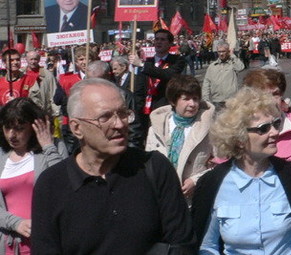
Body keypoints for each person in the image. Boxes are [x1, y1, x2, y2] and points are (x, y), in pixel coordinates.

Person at [32, 78, 194, 254]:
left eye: (123, 113)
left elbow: (182, 244)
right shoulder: (51, 184)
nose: (120, 124)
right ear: (77, 128)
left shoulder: (153, 167)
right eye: (105, 117)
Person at [192, 87, 291, 254]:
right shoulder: (212, 184)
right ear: (239, 138)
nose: (275, 132)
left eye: (275, 124)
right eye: (263, 128)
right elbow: (206, 246)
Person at [0, 98, 67, 254]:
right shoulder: (2, 157)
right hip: (9, 245)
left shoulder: (54, 148)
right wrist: (16, 223)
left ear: (34, 127)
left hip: (46, 242)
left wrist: (48, 147)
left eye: (19, 128)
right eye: (7, 128)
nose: (12, 135)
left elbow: (65, 185)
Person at [145, 75, 215, 202]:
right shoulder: (156, 128)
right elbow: (148, 164)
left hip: (196, 197)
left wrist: (195, 181)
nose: (192, 104)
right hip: (164, 197)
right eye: (186, 99)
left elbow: (220, 164)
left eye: (195, 99)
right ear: (173, 101)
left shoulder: (210, 128)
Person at [130, 29, 187, 114]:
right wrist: (137, 107)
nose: (159, 42)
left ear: (170, 44)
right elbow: (140, 88)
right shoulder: (148, 62)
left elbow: (168, 74)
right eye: (157, 39)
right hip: (146, 107)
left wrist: (142, 65)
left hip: (167, 106)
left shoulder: (177, 60)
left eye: (163, 39)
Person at [201, 40, 244, 111]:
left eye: (223, 51)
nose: (221, 54)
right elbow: (206, 82)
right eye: (219, 51)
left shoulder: (232, 64)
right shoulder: (212, 66)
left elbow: (241, 67)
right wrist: (206, 99)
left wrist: (232, 55)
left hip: (231, 100)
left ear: (228, 51)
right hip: (217, 100)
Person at [23, 50, 59, 119]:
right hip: (25, 115)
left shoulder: (47, 75)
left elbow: (53, 94)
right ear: (26, 60)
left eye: (35, 59)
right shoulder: (21, 74)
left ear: (39, 60)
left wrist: (56, 113)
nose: (33, 62)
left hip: (43, 114)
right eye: (31, 59)